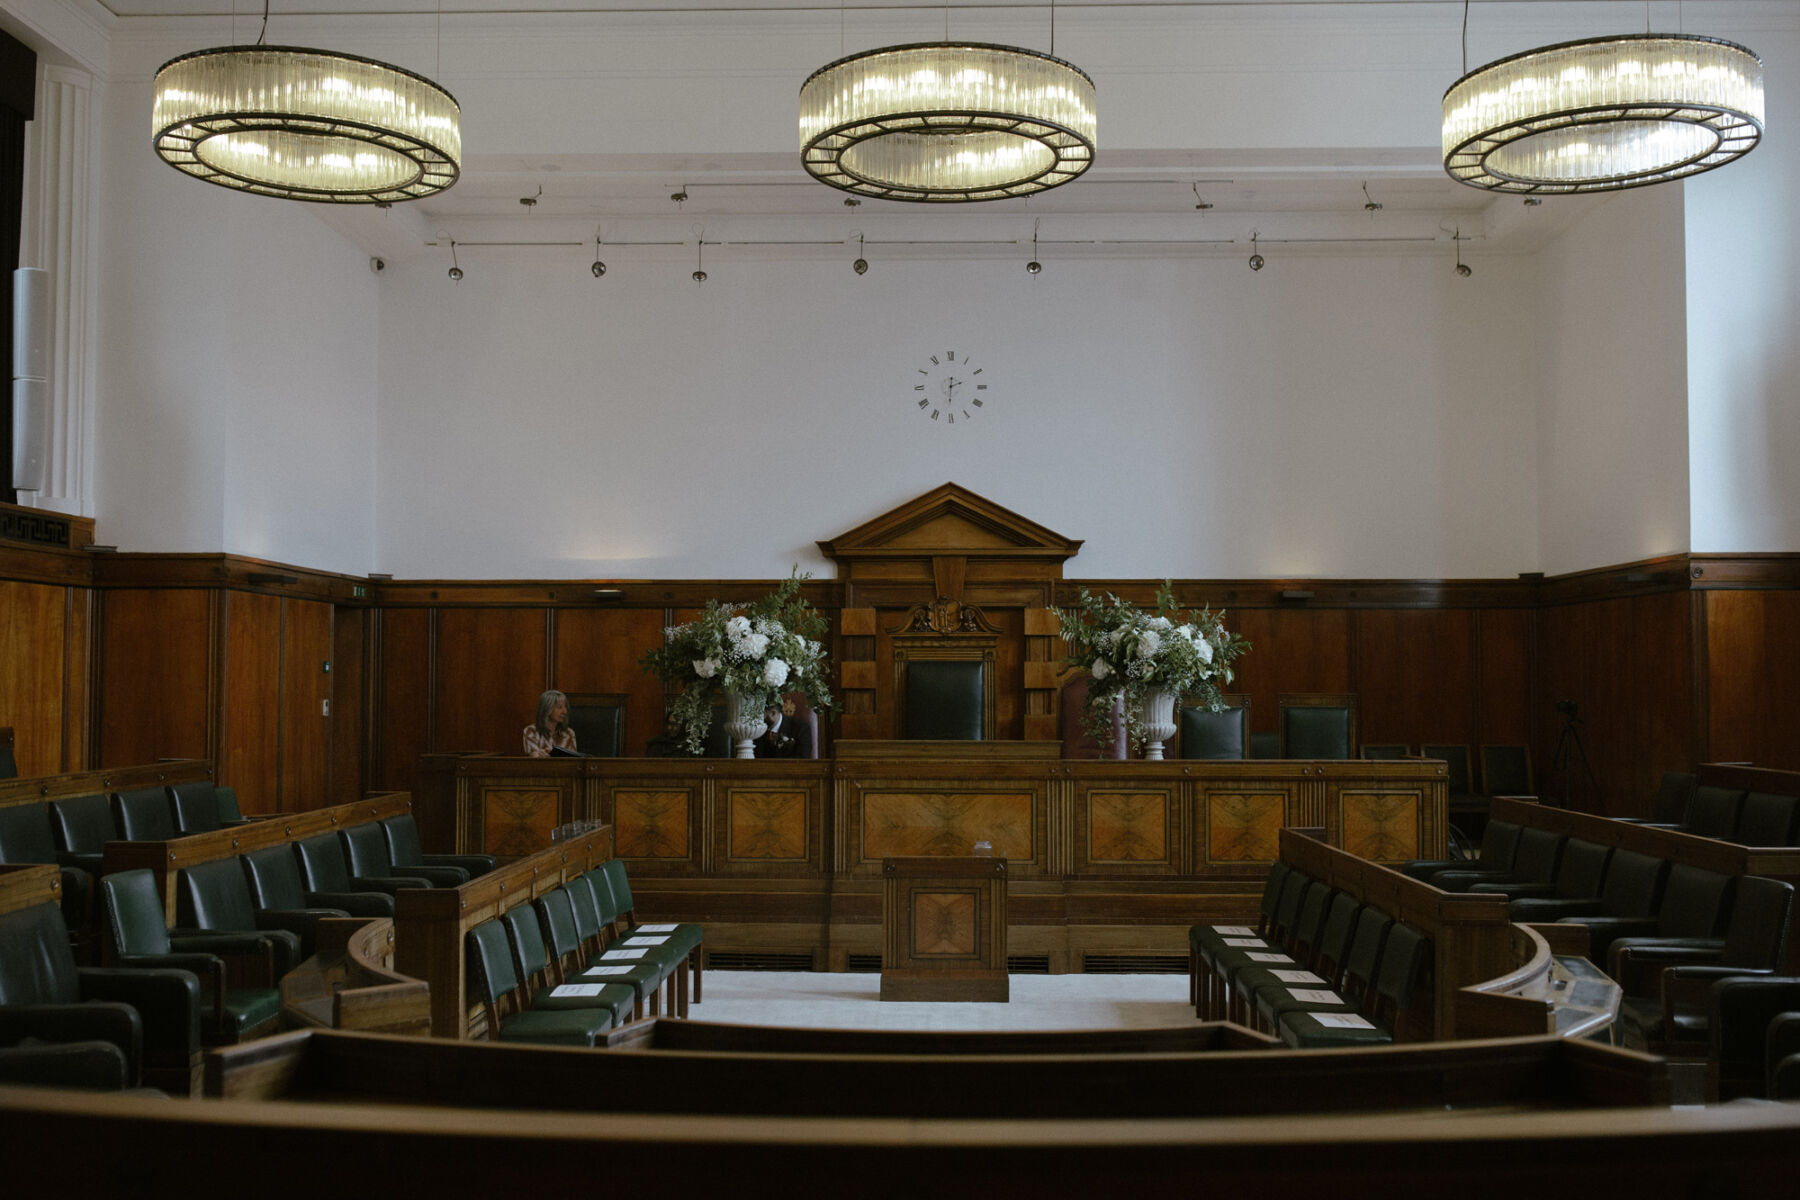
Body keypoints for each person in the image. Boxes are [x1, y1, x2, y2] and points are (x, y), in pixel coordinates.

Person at [524, 689, 577, 757]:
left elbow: (574, 761)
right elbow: (533, 757)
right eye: (560, 707)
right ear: (547, 709)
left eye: (565, 707)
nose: (565, 711)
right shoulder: (531, 731)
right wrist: (537, 754)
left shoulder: (569, 733)